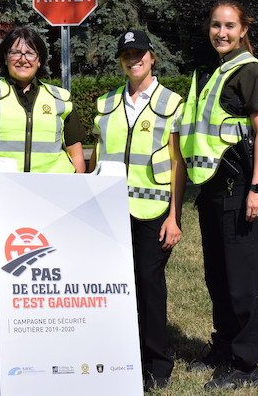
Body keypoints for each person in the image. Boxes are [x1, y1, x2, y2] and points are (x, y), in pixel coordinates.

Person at [180, 0, 258, 390]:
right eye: (216, 25)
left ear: (243, 29)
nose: (222, 32)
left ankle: (246, 364)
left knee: (242, 280)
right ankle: (222, 347)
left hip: (240, 188)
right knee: (217, 276)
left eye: (230, 26)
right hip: (212, 189)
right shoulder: (209, 73)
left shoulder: (251, 71)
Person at [89, 30, 185, 392]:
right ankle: (120, 357)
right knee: (115, 286)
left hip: (153, 211)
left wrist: (175, 216)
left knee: (148, 284)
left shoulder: (171, 103)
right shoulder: (107, 103)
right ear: (121, 60)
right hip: (110, 213)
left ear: (152, 57)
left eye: (139, 53)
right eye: (127, 54)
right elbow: (98, 157)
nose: (134, 59)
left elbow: (178, 164)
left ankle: (157, 364)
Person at [0, 27, 85, 202]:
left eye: (30, 53)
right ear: (5, 58)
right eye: (15, 52)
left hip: (53, 198)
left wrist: (76, 198)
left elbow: (77, 155)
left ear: (39, 60)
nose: (23, 59)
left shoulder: (61, 99)